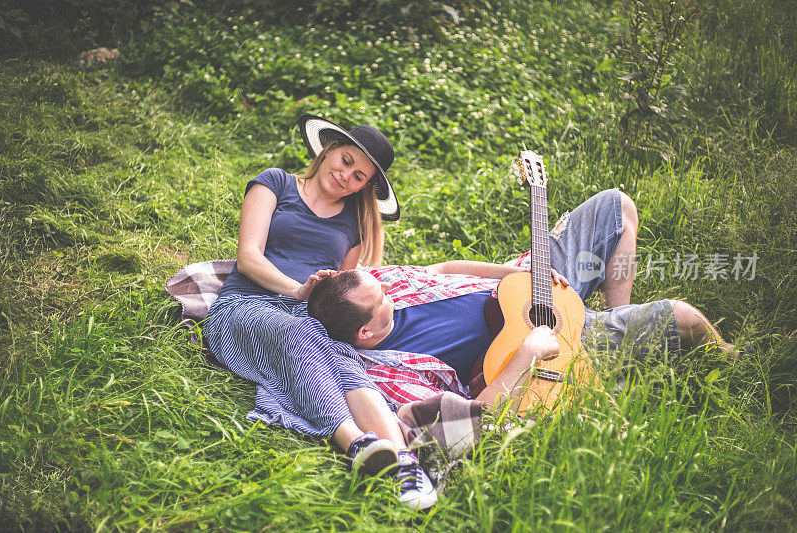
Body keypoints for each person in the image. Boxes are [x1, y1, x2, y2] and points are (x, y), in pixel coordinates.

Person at [204, 115, 437, 509]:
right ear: (328, 149)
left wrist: (332, 298)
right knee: (300, 335)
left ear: (366, 186)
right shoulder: (275, 182)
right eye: (346, 161)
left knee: (345, 361)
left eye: (359, 176)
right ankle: (355, 441)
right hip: (246, 305)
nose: (347, 177)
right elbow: (247, 258)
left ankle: (404, 464)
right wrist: (299, 291)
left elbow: (341, 298)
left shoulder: (355, 225)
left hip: (310, 321)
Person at [307, 262, 737, 409]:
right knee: (684, 317)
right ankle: (736, 362)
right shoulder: (387, 376)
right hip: (548, 347)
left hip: (528, 284)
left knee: (614, 207)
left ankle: (613, 319)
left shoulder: (385, 288)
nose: (389, 289)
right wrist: (527, 352)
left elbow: (443, 270)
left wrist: (517, 272)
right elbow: (468, 420)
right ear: (364, 331)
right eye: (381, 296)